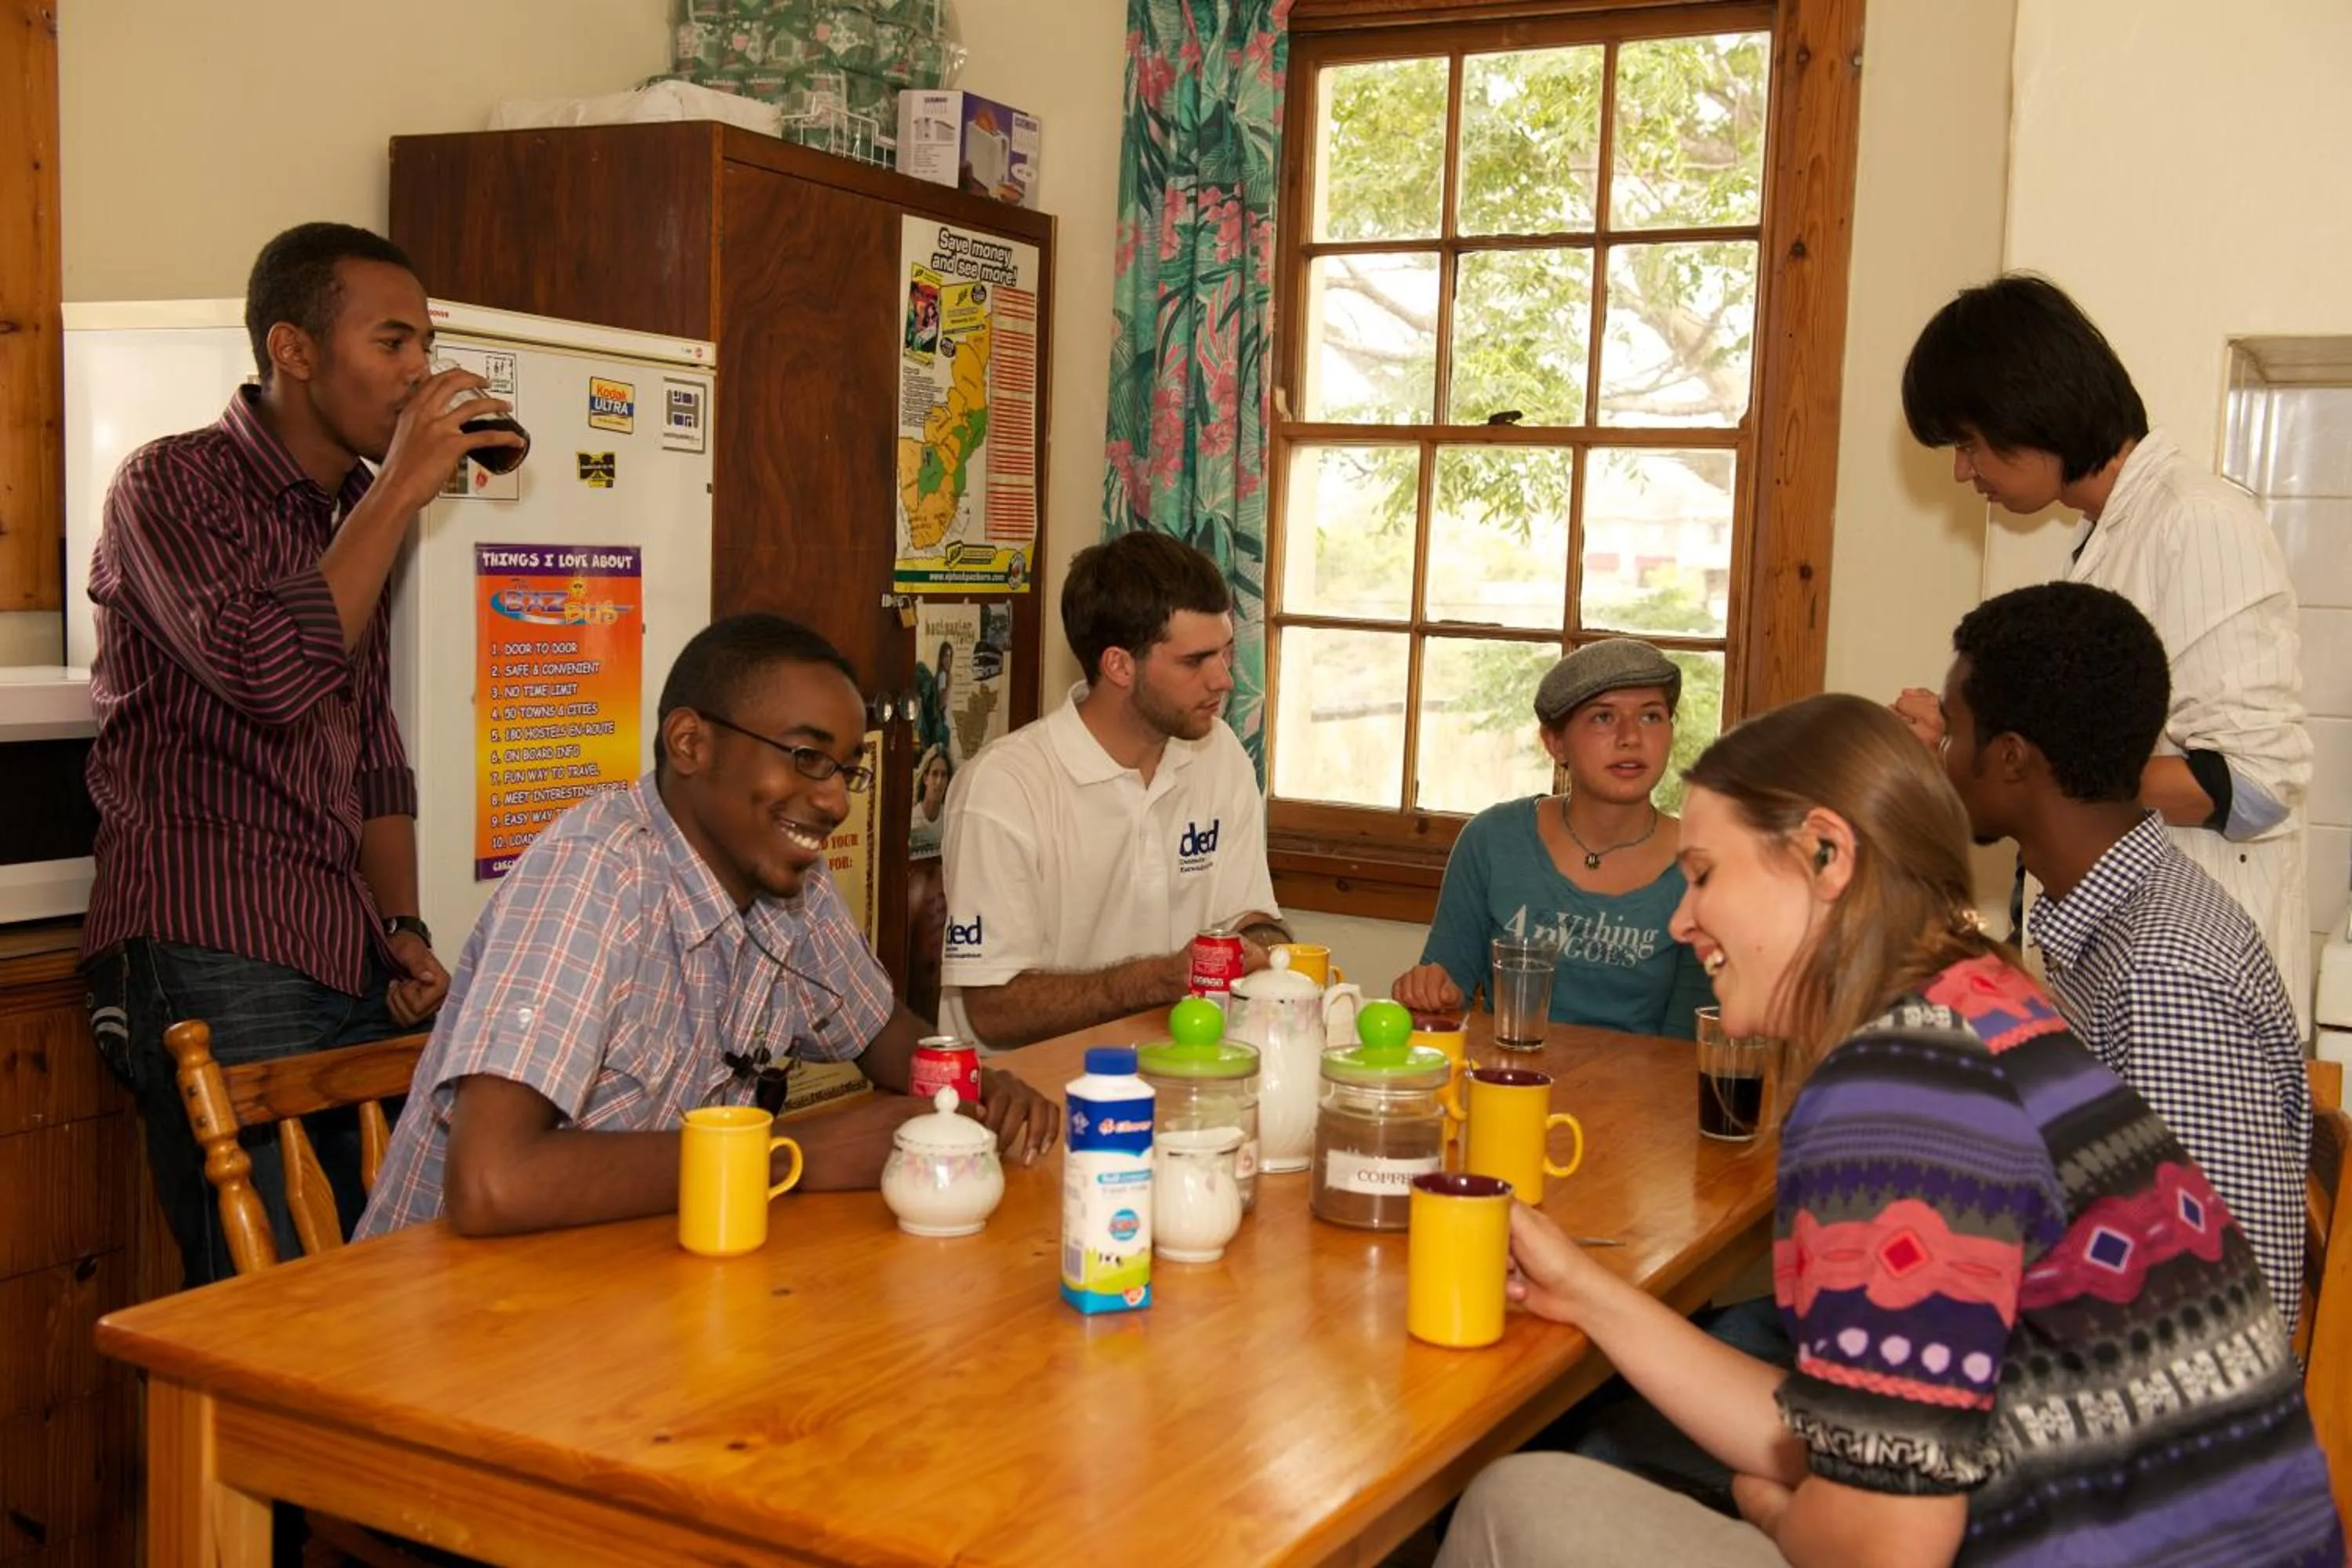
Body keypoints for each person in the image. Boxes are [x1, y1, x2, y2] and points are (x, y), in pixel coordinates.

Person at [1436, 695, 2342, 1568]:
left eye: (1705, 874)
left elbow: (1881, 1546)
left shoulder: (1895, 1091)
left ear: (1828, 853)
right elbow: (1854, 1419)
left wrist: (1780, 1514)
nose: (1682, 920)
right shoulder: (1987, 1008)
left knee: (1517, 1503)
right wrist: (1585, 1291)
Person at [78, 222, 524, 1287]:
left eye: (426, 344)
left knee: (383, 1279)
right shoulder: (172, 485)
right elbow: (269, 674)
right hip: (210, 938)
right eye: (393, 342)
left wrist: (405, 926)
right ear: (294, 349)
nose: (419, 371)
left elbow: (370, 746)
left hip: (343, 945)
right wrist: (398, 490)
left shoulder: (352, 518)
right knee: (269, 1297)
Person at [357, 615, 1059, 1239]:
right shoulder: (595, 876)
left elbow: (884, 1034)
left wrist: (972, 1085)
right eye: (807, 758)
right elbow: (491, 1184)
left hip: (622, 1284)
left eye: (848, 769)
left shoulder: (789, 885)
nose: (835, 799)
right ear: (690, 743)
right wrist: (795, 1154)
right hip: (445, 1326)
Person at [1894, 274, 2312, 1034]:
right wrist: (1968, 747)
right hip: (2121, 971)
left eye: (1967, 442)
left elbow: (2255, 783)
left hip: (2187, 991)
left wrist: (2013, 771)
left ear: (2028, 407)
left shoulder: (2197, 521)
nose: (1963, 470)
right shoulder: (2108, 536)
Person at [1922, 582, 2308, 1330]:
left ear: (2009, 759)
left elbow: (2219, 1320)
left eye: (1952, 733)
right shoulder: (2113, 919)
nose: (1940, 757)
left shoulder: (2164, 974)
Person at [939, 532, 1287, 1051]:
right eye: (1196, 661)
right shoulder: (1003, 788)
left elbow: (1250, 916)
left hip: (1182, 1073)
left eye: (1226, 652)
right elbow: (993, 1011)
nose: (1224, 680)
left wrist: (1267, 950)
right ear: (1119, 665)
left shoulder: (1220, 754)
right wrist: (1155, 979)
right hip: (1032, 1098)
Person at [1394, 639, 1715, 1040]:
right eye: (1602, 718)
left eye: (1651, 716)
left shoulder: (1703, 866)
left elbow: (1688, 1047)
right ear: (1555, 743)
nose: (1631, 737)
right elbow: (1445, 993)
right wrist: (1429, 991)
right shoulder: (1492, 840)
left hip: (1643, 1095)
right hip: (1507, 1084)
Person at [909, 742, 951, 858]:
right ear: (925, 778)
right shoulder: (912, 820)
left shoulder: (949, 821)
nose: (939, 782)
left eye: (943, 775)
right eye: (935, 774)